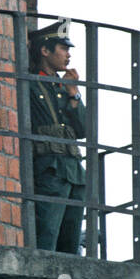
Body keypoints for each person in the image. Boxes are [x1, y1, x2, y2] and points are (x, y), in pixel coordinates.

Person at [27, 20, 87, 253]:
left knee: (70, 239)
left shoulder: (64, 88)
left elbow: (83, 131)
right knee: (47, 235)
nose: (68, 55)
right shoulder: (32, 83)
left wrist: (74, 95)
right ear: (45, 50)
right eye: (63, 48)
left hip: (73, 171)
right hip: (50, 168)